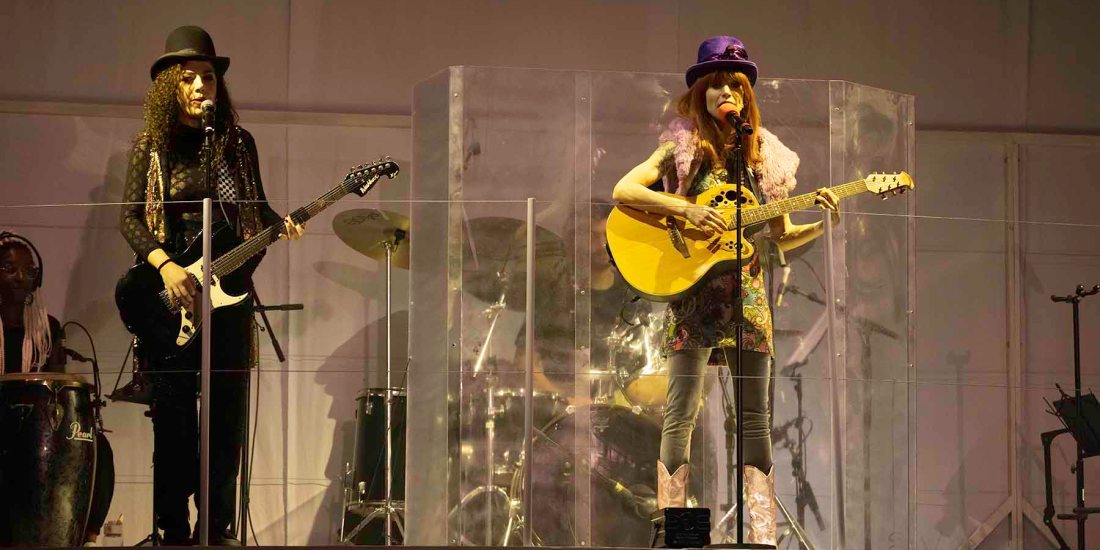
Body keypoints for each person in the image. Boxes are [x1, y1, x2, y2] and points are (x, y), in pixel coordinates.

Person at [611, 36, 839, 544]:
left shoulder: (766, 158)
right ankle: (680, 532)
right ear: (700, 94)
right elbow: (625, 190)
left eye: (734, 85)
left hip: (747, 296)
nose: (725, 93)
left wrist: (822, 220)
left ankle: (760, 535)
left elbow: (782, 236)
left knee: (755, 418)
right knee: (681, 413)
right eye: (715, 85)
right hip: (693, 293)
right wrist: (686, 209)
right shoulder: (682, 146)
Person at [118, 25, 304, 545]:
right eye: (190, 78)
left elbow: (255, 209)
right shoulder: (152, 146)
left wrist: (282, 223)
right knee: (174, 420)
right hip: (173, 295)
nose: (202, 86)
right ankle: (173, 530)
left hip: (228, 291)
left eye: (209, 77)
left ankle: (216, 529)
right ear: (170, 86)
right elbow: (129, 218)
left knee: (227, 420)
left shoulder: (237, 145)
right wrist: (165, 266)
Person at [0, 232, 115, 545]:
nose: (20, 277)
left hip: (34, 426)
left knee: (99, 446)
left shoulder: (47, 327)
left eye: (28, 271)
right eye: (9, 268)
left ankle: (86, 537)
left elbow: (56, 388)